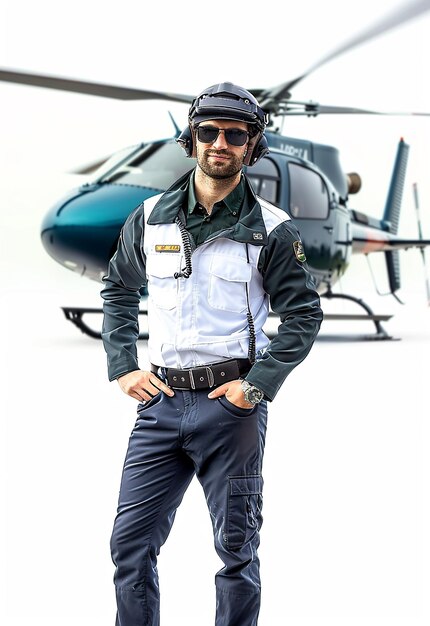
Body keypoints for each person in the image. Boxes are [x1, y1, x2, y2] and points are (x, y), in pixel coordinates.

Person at [101, 81, 323, 626]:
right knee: (129, 548)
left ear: (251, 146)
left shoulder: (271, 230)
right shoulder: (150, 217)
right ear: (191, 139)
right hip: (160, 405)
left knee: (236, 552)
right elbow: (118, 288)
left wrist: (256, 387)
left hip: (232, 409)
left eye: (234, 134)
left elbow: (303, 315)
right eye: (208, 132)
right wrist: (124, 367)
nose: (219, 143)